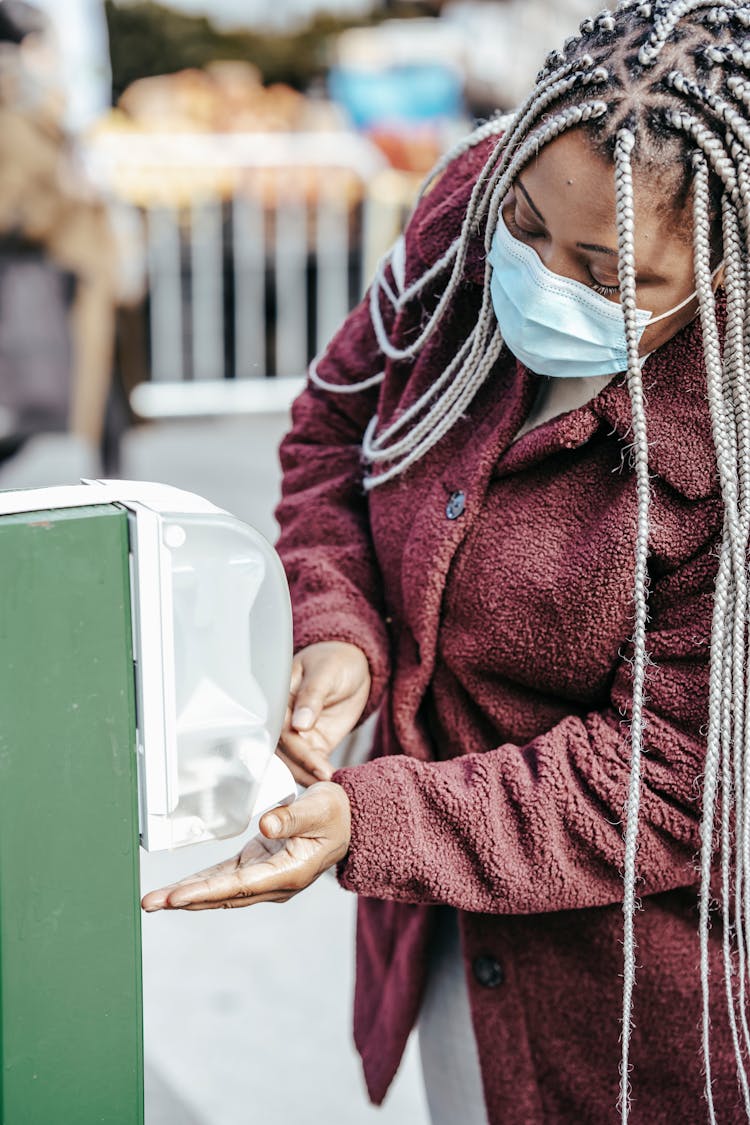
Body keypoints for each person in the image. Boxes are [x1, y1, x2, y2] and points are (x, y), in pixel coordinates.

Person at [143, 2, 750, 1120]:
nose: (538, 277)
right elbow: (334, 428)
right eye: (521, 223)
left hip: (646, 1013)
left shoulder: (731, 435)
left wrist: (374, 821)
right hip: (446, 946)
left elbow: (674, 780)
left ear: (723, 270)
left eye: (608, 270)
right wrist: (340, 628)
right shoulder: (457, 226)